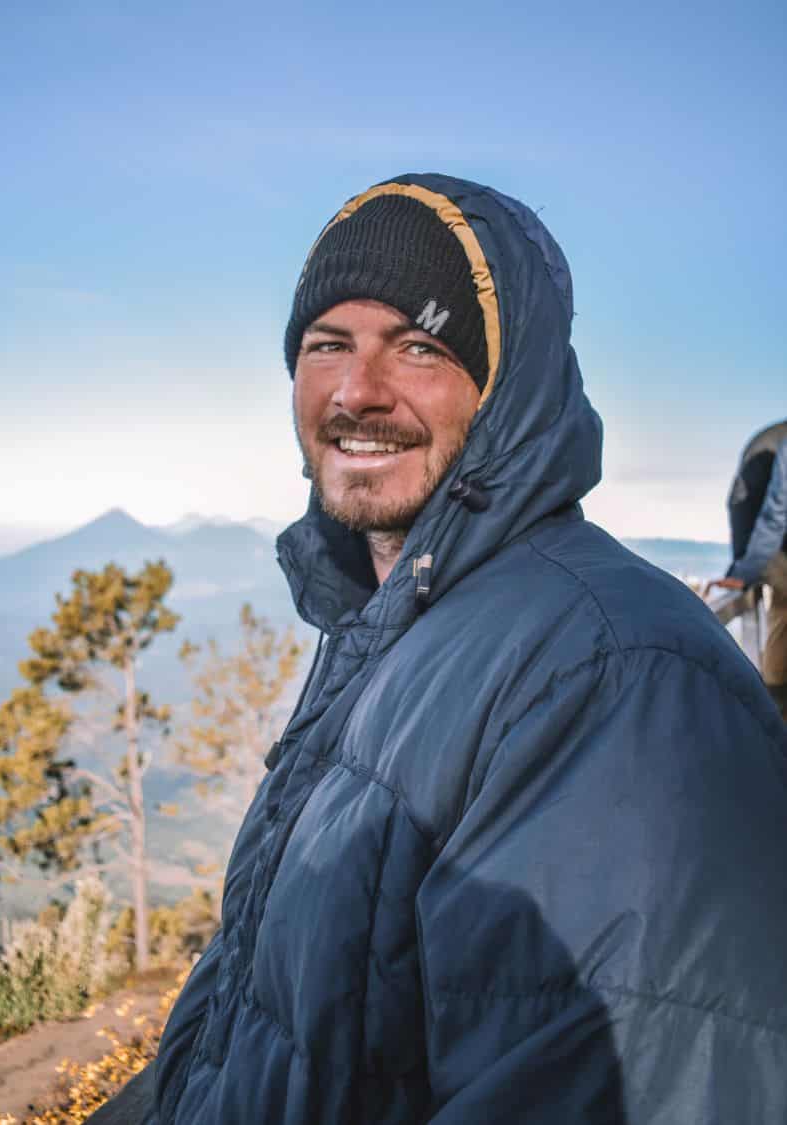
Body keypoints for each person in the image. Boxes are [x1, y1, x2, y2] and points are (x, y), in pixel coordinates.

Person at [100, 175, 787, 1124]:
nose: (355, 391)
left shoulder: (612, 678)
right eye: (325, 344)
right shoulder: (392, 626)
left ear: (505, 388)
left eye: (418, 345)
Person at [707, 420, 787, 718]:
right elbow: (770, 514)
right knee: (782, 600)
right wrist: (742, 572)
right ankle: (777, 707)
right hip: (760, 508)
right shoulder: (764, 458)